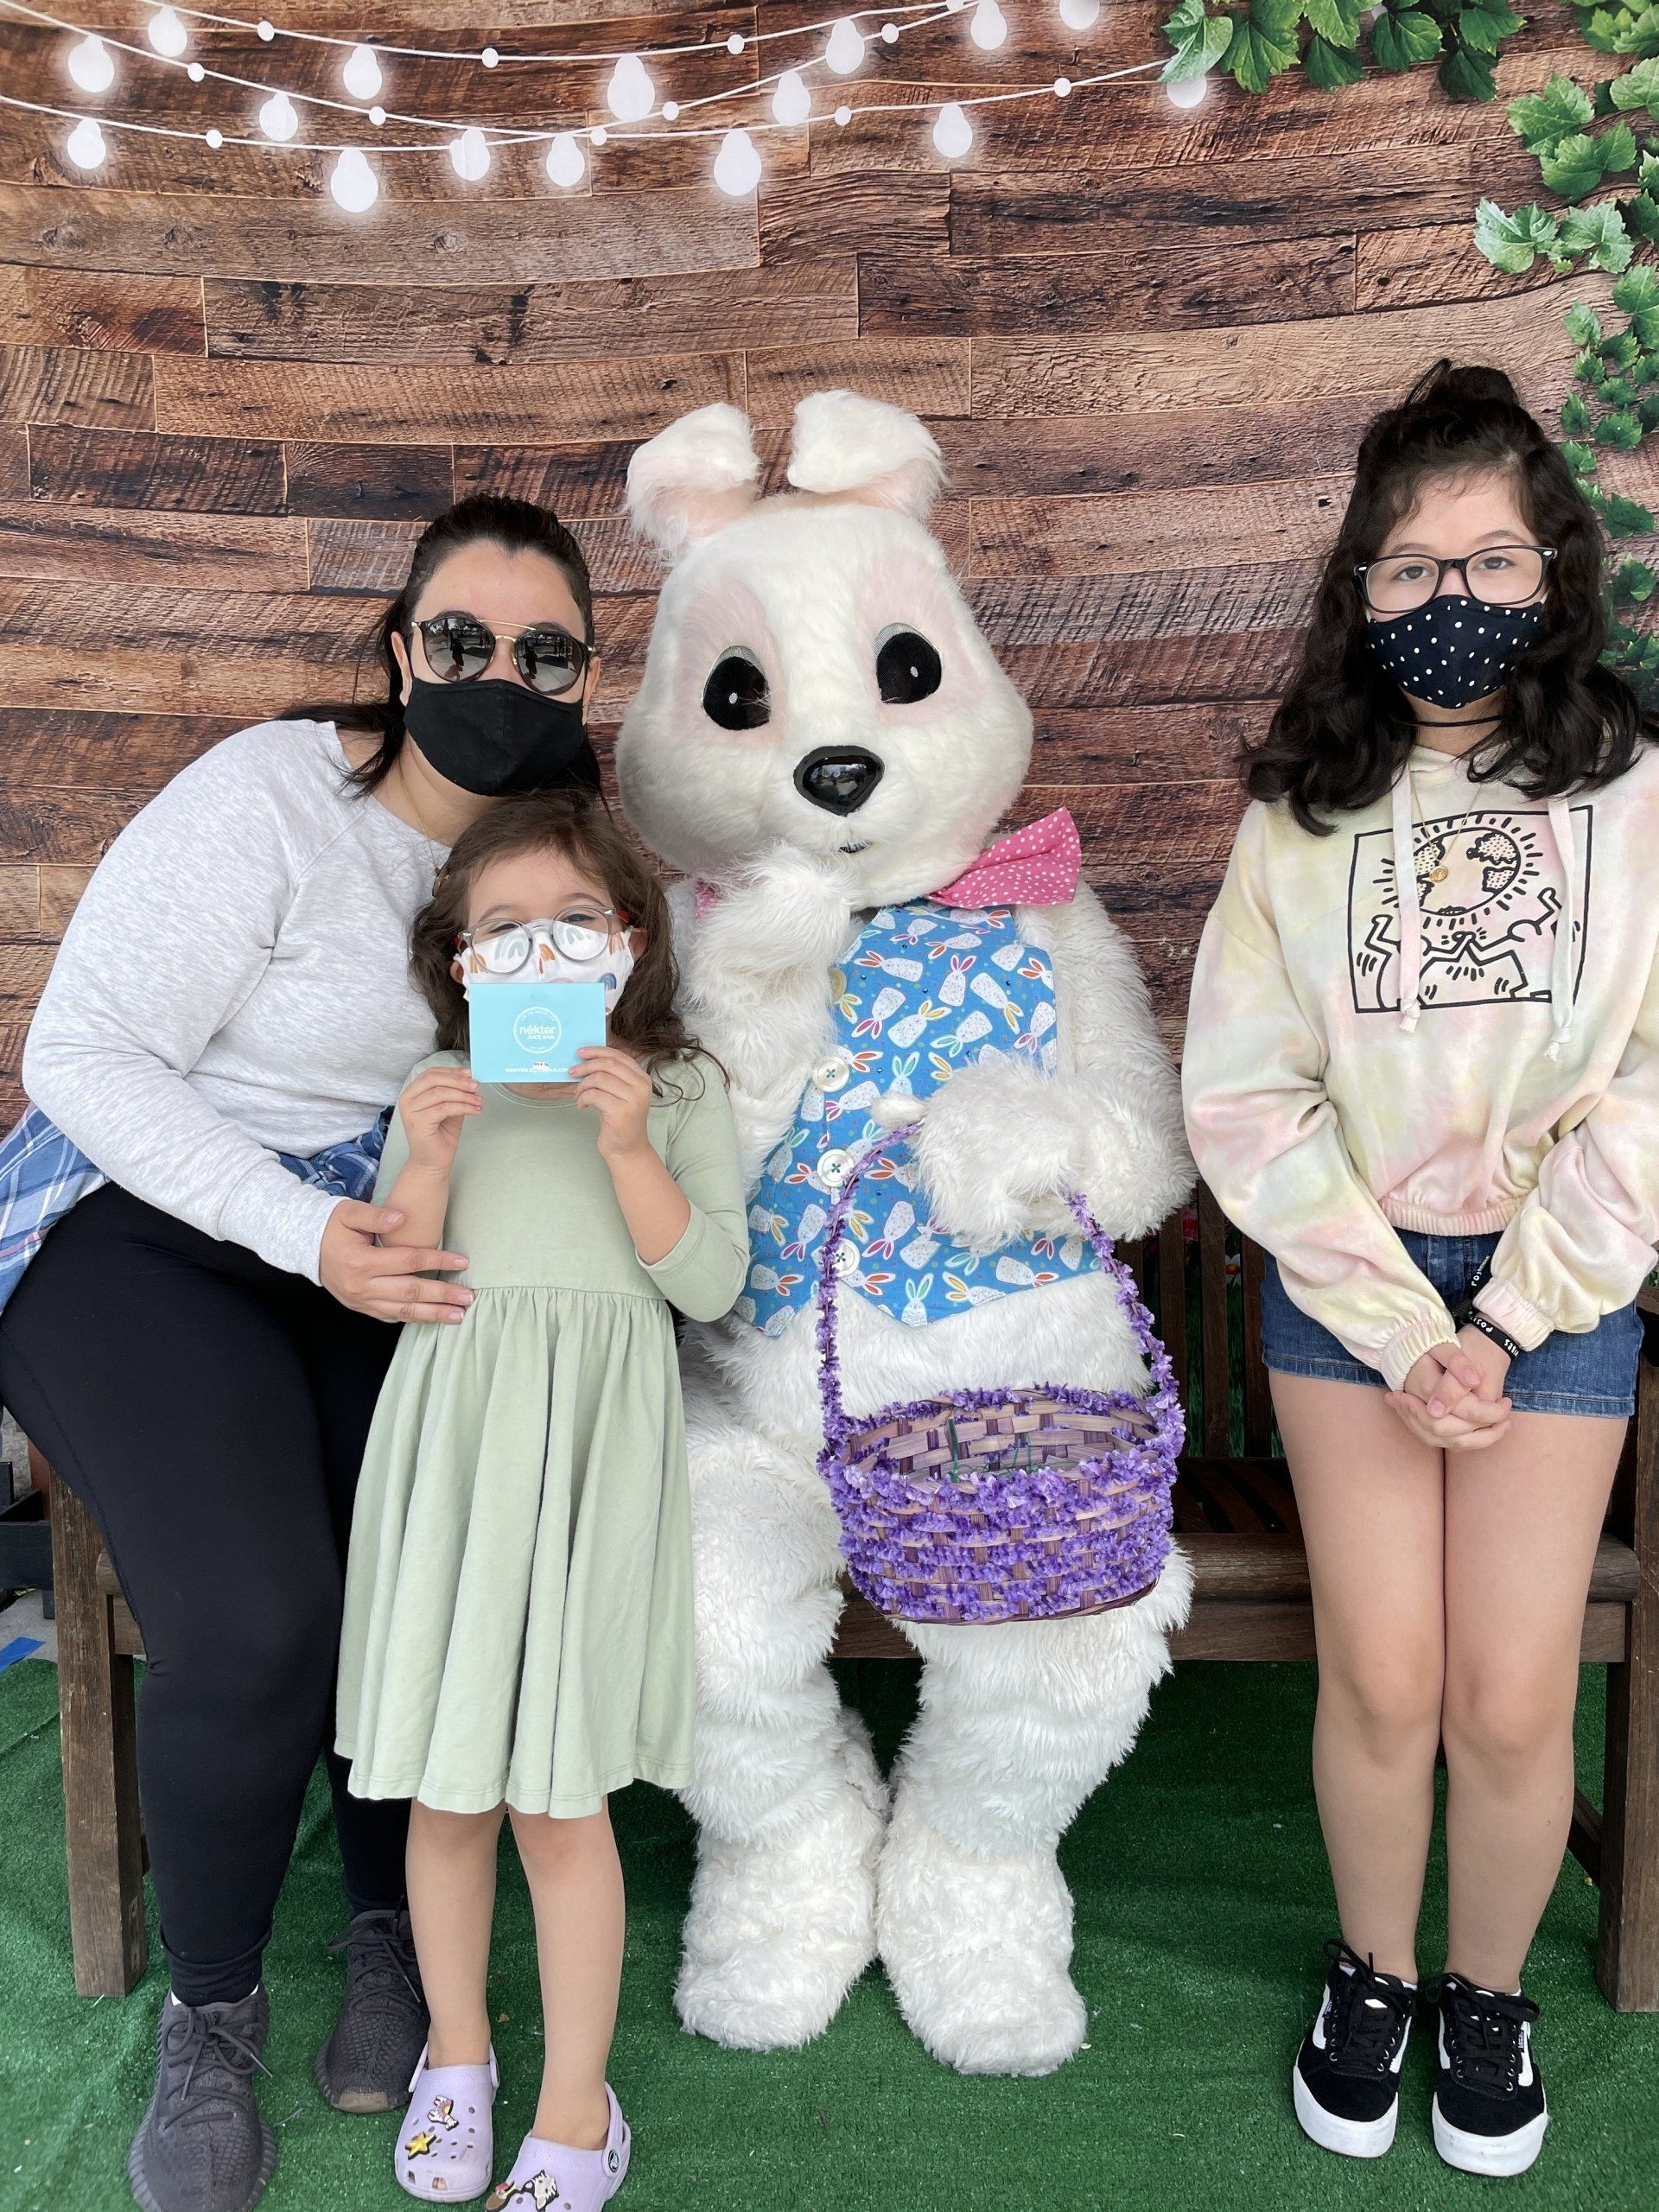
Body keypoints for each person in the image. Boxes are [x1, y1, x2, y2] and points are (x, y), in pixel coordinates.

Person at [0, 494, 607, 2212]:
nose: (501, 674)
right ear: (402, 650)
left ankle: (392, 1927)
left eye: (546, 652)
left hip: (391, 1243)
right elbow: (82, 1058)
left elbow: (587, 1081)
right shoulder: (272, 797)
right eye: (463, 640)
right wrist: (306, 1230)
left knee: (426, 1574)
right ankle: (213, 2007)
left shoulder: (559, 858)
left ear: (586, 676)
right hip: (153, 1228)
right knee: (262, 1615)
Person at [1182, 359, 1659, 2178]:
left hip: (1563, 1288)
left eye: (1489, 559)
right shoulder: (1298, 820)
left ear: (1551, 571)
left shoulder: (1635, 798)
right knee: (1383, 1676)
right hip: (1348, 1284)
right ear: (1359, 589)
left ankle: (1489, 1989)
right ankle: (1372, 1970)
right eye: (1409, 567)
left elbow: (1650, 1084)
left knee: (1513, 1692)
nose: (1451, 597)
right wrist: (1402, 1320)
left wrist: (1514, 1313)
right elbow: (1244, 1092)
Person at [332, 791, 747, 2210]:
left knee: (560, 1802)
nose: (539, 951)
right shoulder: (439, 1089)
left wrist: (627, 1145)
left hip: (590, 1459)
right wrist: (428, 1157)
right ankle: (457, 2056)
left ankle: (579, 2105)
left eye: (573, 922)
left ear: (627, 943)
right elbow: (395, 1280)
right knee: (449, 1789)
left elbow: (710, 1283)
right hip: (458, 1449)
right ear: (460, 963)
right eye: (501, 929)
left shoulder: (674, 1091)